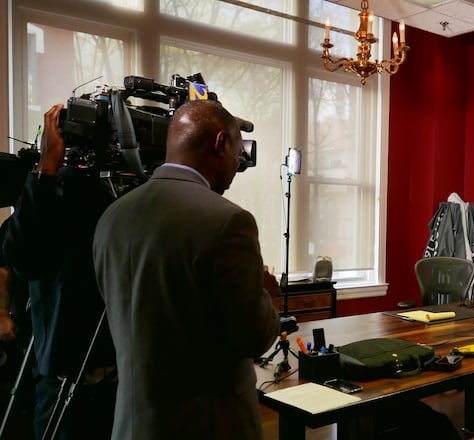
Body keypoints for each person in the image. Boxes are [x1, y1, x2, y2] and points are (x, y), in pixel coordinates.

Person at [92, 99, 280, 440]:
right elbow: (254, 338)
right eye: (238, 156)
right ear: (220, 143)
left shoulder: (112, 216)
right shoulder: (228, 221)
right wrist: (266, 293)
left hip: (131, 423)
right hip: (209, 424)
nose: (237, 168)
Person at [2, 104, 118, 439]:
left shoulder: (127, 197)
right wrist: (47, 167)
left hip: (124, 370)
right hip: (68, 371)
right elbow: (23, 257)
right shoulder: (58, 191)